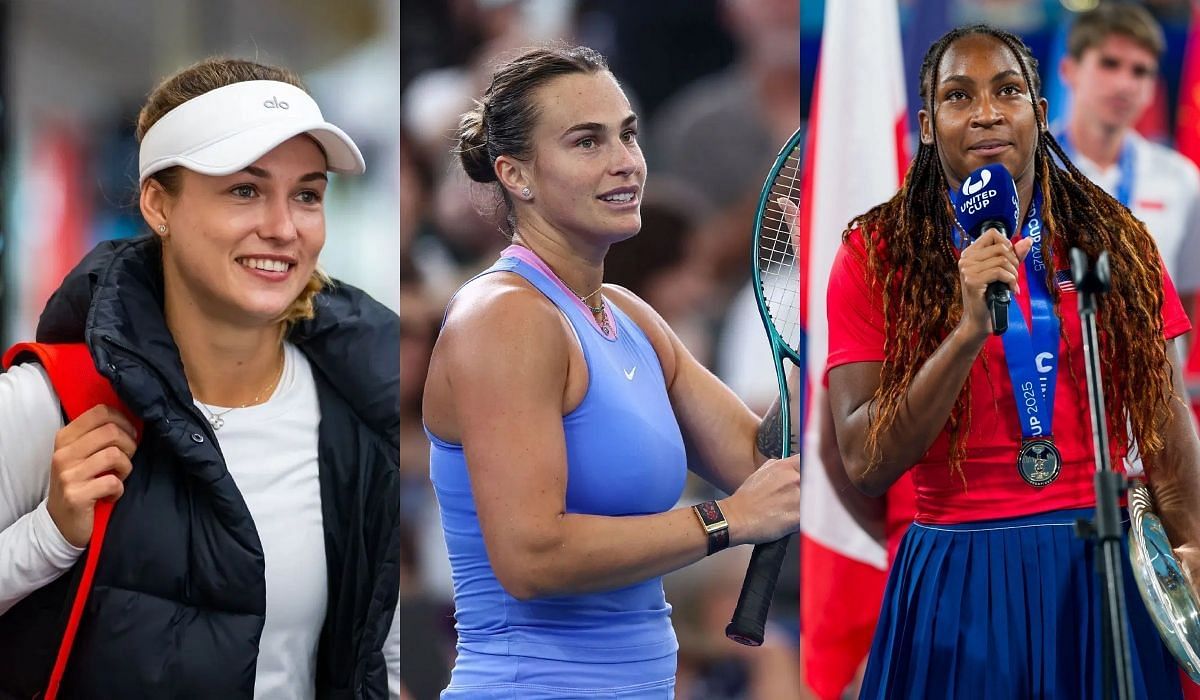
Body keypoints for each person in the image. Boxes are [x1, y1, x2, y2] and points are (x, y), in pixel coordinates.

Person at [0, 58, 402, 698]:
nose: (283, 226)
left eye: (307, 193)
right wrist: (47, 534)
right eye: (245, 190)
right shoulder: (47, 406)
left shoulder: (359, 411)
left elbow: (380, 654)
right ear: (159, 204)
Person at [825, 25, 1200, 698]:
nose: (987, 112)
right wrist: (968, 331)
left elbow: (1167, 422)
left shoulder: (1115, 241)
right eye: (958, 96)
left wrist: (1194, 546)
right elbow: (865, 461)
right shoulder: (877, 255)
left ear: (1040, 112)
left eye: (1007, 91)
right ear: (930, 125)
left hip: (1101, 560)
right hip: (959, 572)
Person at [422, 45, 803, 698]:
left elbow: (765, 466)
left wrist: (834, 304)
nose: (625, 161)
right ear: (517, 175)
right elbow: (532, 558)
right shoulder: (503, 319)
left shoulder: (628, 313)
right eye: (586, 142)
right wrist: (726, 521)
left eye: (628, 134)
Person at [1058, 2, 1200, 321]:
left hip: (1148, 367)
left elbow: (1185, 305)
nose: (1125, 84)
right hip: (1055, 368)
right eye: (1109, 64)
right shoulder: (1030, 170)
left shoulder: (1181, 179)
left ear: (1152, 88)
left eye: (1140, 71)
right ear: (1069, 70)